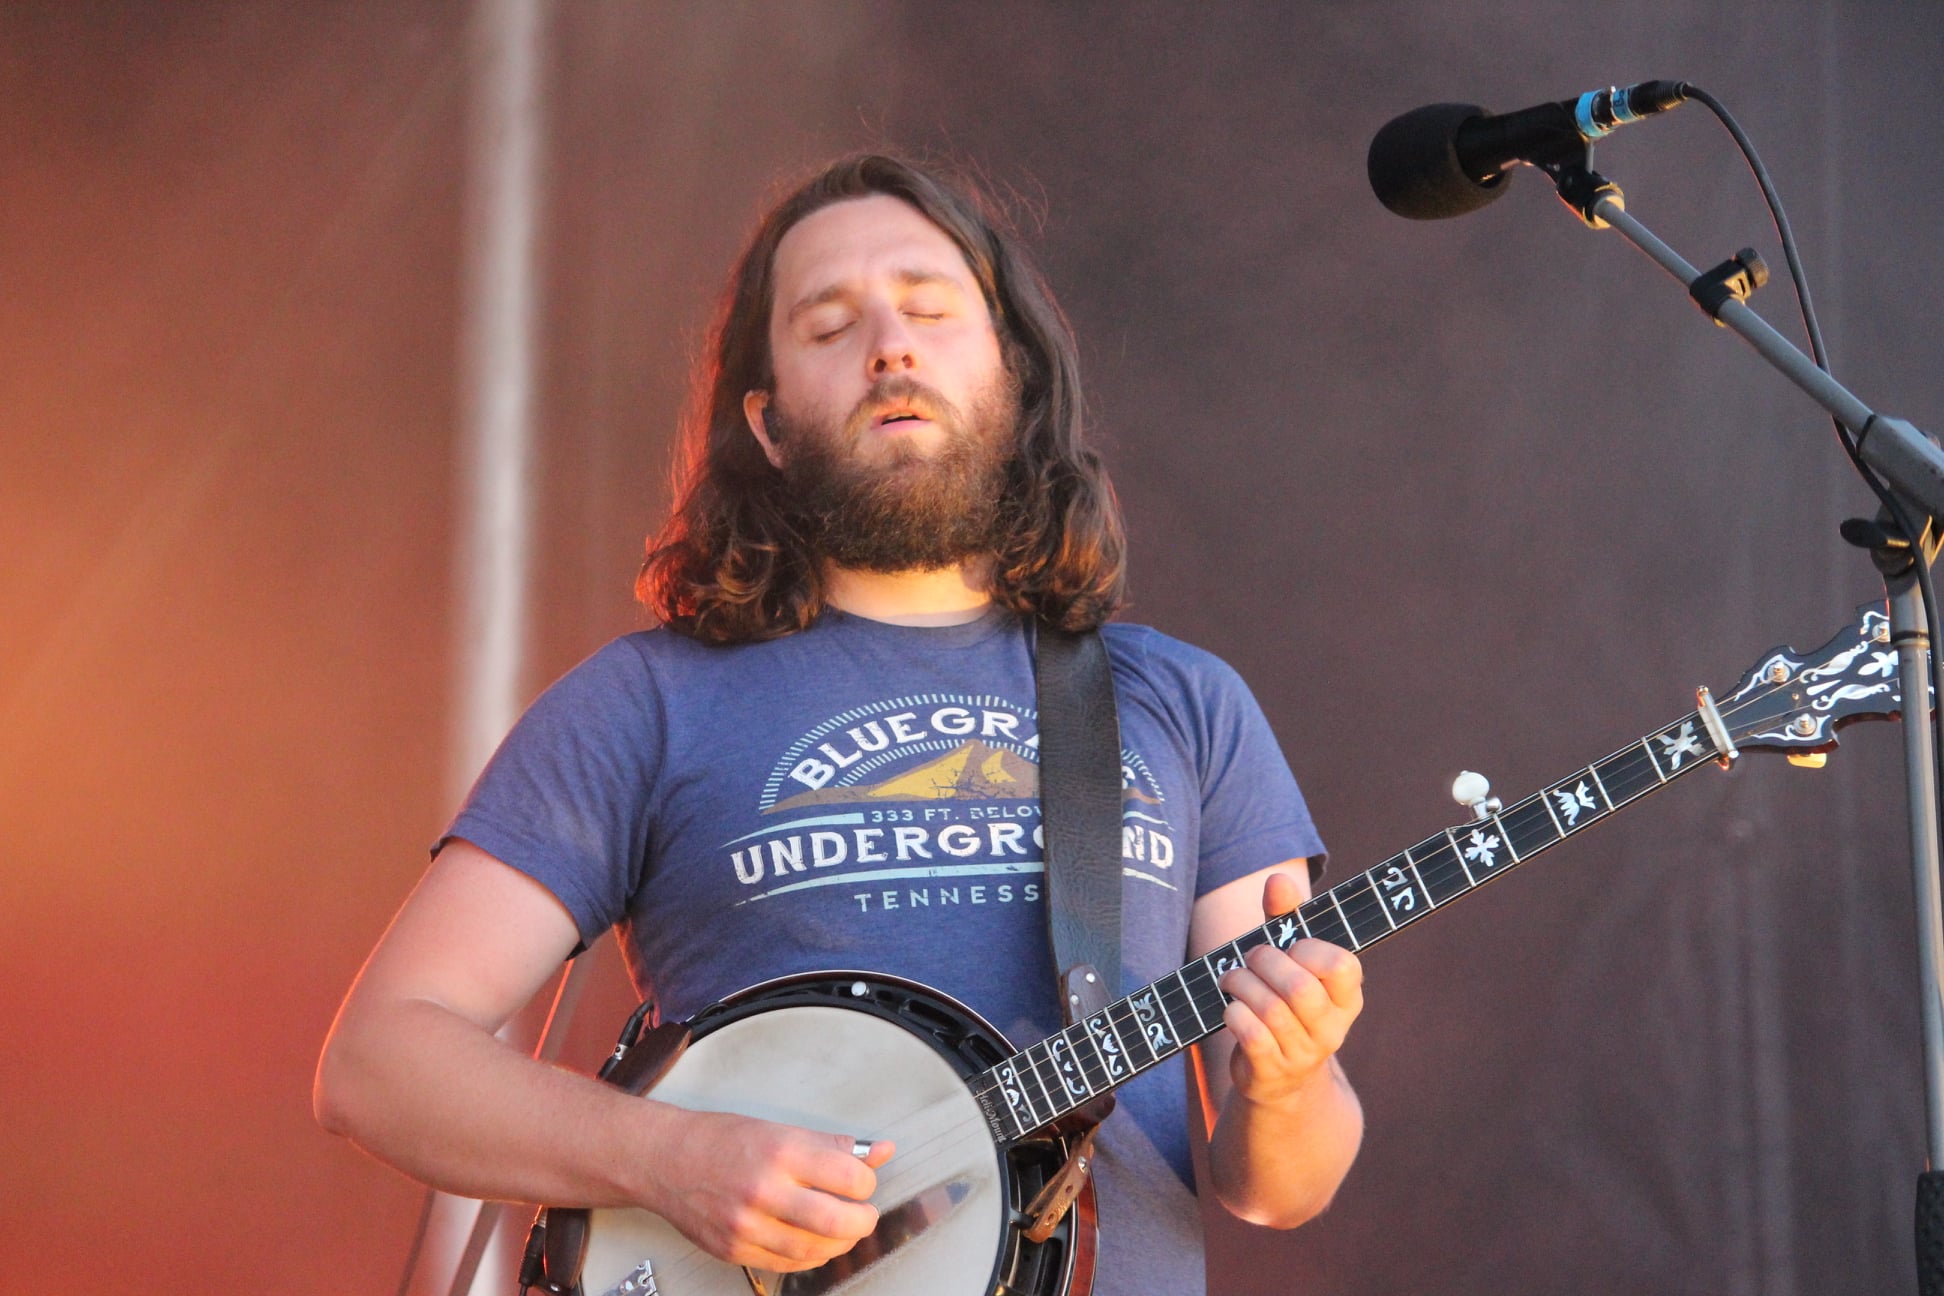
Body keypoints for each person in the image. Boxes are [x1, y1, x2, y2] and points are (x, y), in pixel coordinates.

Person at [315, 153, 1364, 1296]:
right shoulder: (645, 703)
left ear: (1011, 372)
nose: (890, 346)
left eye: (928, 308)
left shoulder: (1179, 701)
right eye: (829, 324)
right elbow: (379, 1062)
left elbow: (1279, 1187)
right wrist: (669, 1159)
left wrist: (1288, 1081)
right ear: (765, 423)